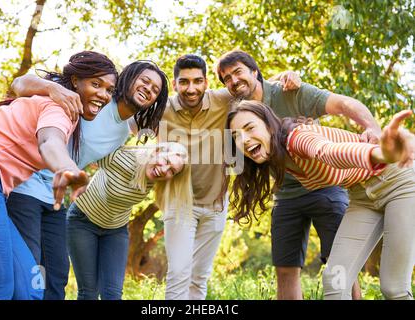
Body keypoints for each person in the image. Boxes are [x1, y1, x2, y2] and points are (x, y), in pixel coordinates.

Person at [215, 49, 383, 299]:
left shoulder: (290, 91)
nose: (233, 80)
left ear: (254, 71)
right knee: (285, 268)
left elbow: (343, 104)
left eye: (238, 72)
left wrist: (372, 128)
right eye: (226, 78)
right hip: (285, 195)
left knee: (339, 265)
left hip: (325, 186)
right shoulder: (239, 115)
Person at [7, 59, 168, 299]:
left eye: (155, 90)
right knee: (29, 268)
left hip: (55, 197)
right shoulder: (96, 97)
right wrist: (54, 88)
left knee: (57, 274)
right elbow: (20, 84)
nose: (149, 89)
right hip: (25, 184)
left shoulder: (124, 131)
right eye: (145, 81)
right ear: (128, 77)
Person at [0, 50, 118, 300]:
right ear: (76, 82)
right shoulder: (59, 107)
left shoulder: (53, 101)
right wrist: (67, 168)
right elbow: (49, 141)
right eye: (96, 84)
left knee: (30, 288)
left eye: (109, 89)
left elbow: (21, 87)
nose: (103, 94)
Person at [225, 100, 415, 300]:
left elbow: (328, 152)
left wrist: (379, 153)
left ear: (269, 125)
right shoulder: (276, 158)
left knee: (394, 288)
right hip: (362, 197)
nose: (244, 140)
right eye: (237, 136)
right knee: (335, 281)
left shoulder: (297, 138)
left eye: (250, 128)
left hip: (400, 182)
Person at [157, 54, 300, 300]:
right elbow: (126, 118)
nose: (191, 89)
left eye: (197, 81)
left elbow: (252, 86)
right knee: (179, 273)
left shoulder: (222, 100)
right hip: (179, 203)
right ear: (174, 82)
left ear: (206, 82)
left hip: (215, 204)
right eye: (184, 82)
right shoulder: (161, 108)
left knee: (199, 277)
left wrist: (286, 77)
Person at [67, 142, 192, 300]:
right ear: (157, 151)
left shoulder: (158, 181)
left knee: (112, 294)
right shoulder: (123, 158)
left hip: (115, 230)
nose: (164, 170)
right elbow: (89, 147)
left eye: (172, 171)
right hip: (83, 221)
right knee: (89, 292)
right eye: (166, 161)